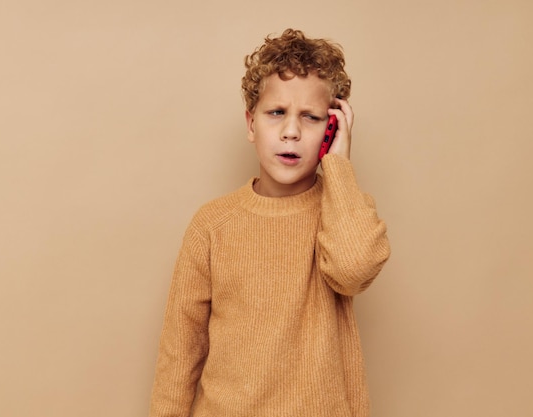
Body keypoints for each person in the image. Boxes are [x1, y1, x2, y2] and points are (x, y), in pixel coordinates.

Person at [149, 28, 390, 417]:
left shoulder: (344, 212)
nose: (291, 132)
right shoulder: (212, 225)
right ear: (250, 124)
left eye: (311, 118)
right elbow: (180, 352)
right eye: (277, 113)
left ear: (332, 129)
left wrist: (339, 168)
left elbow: (353, 268)